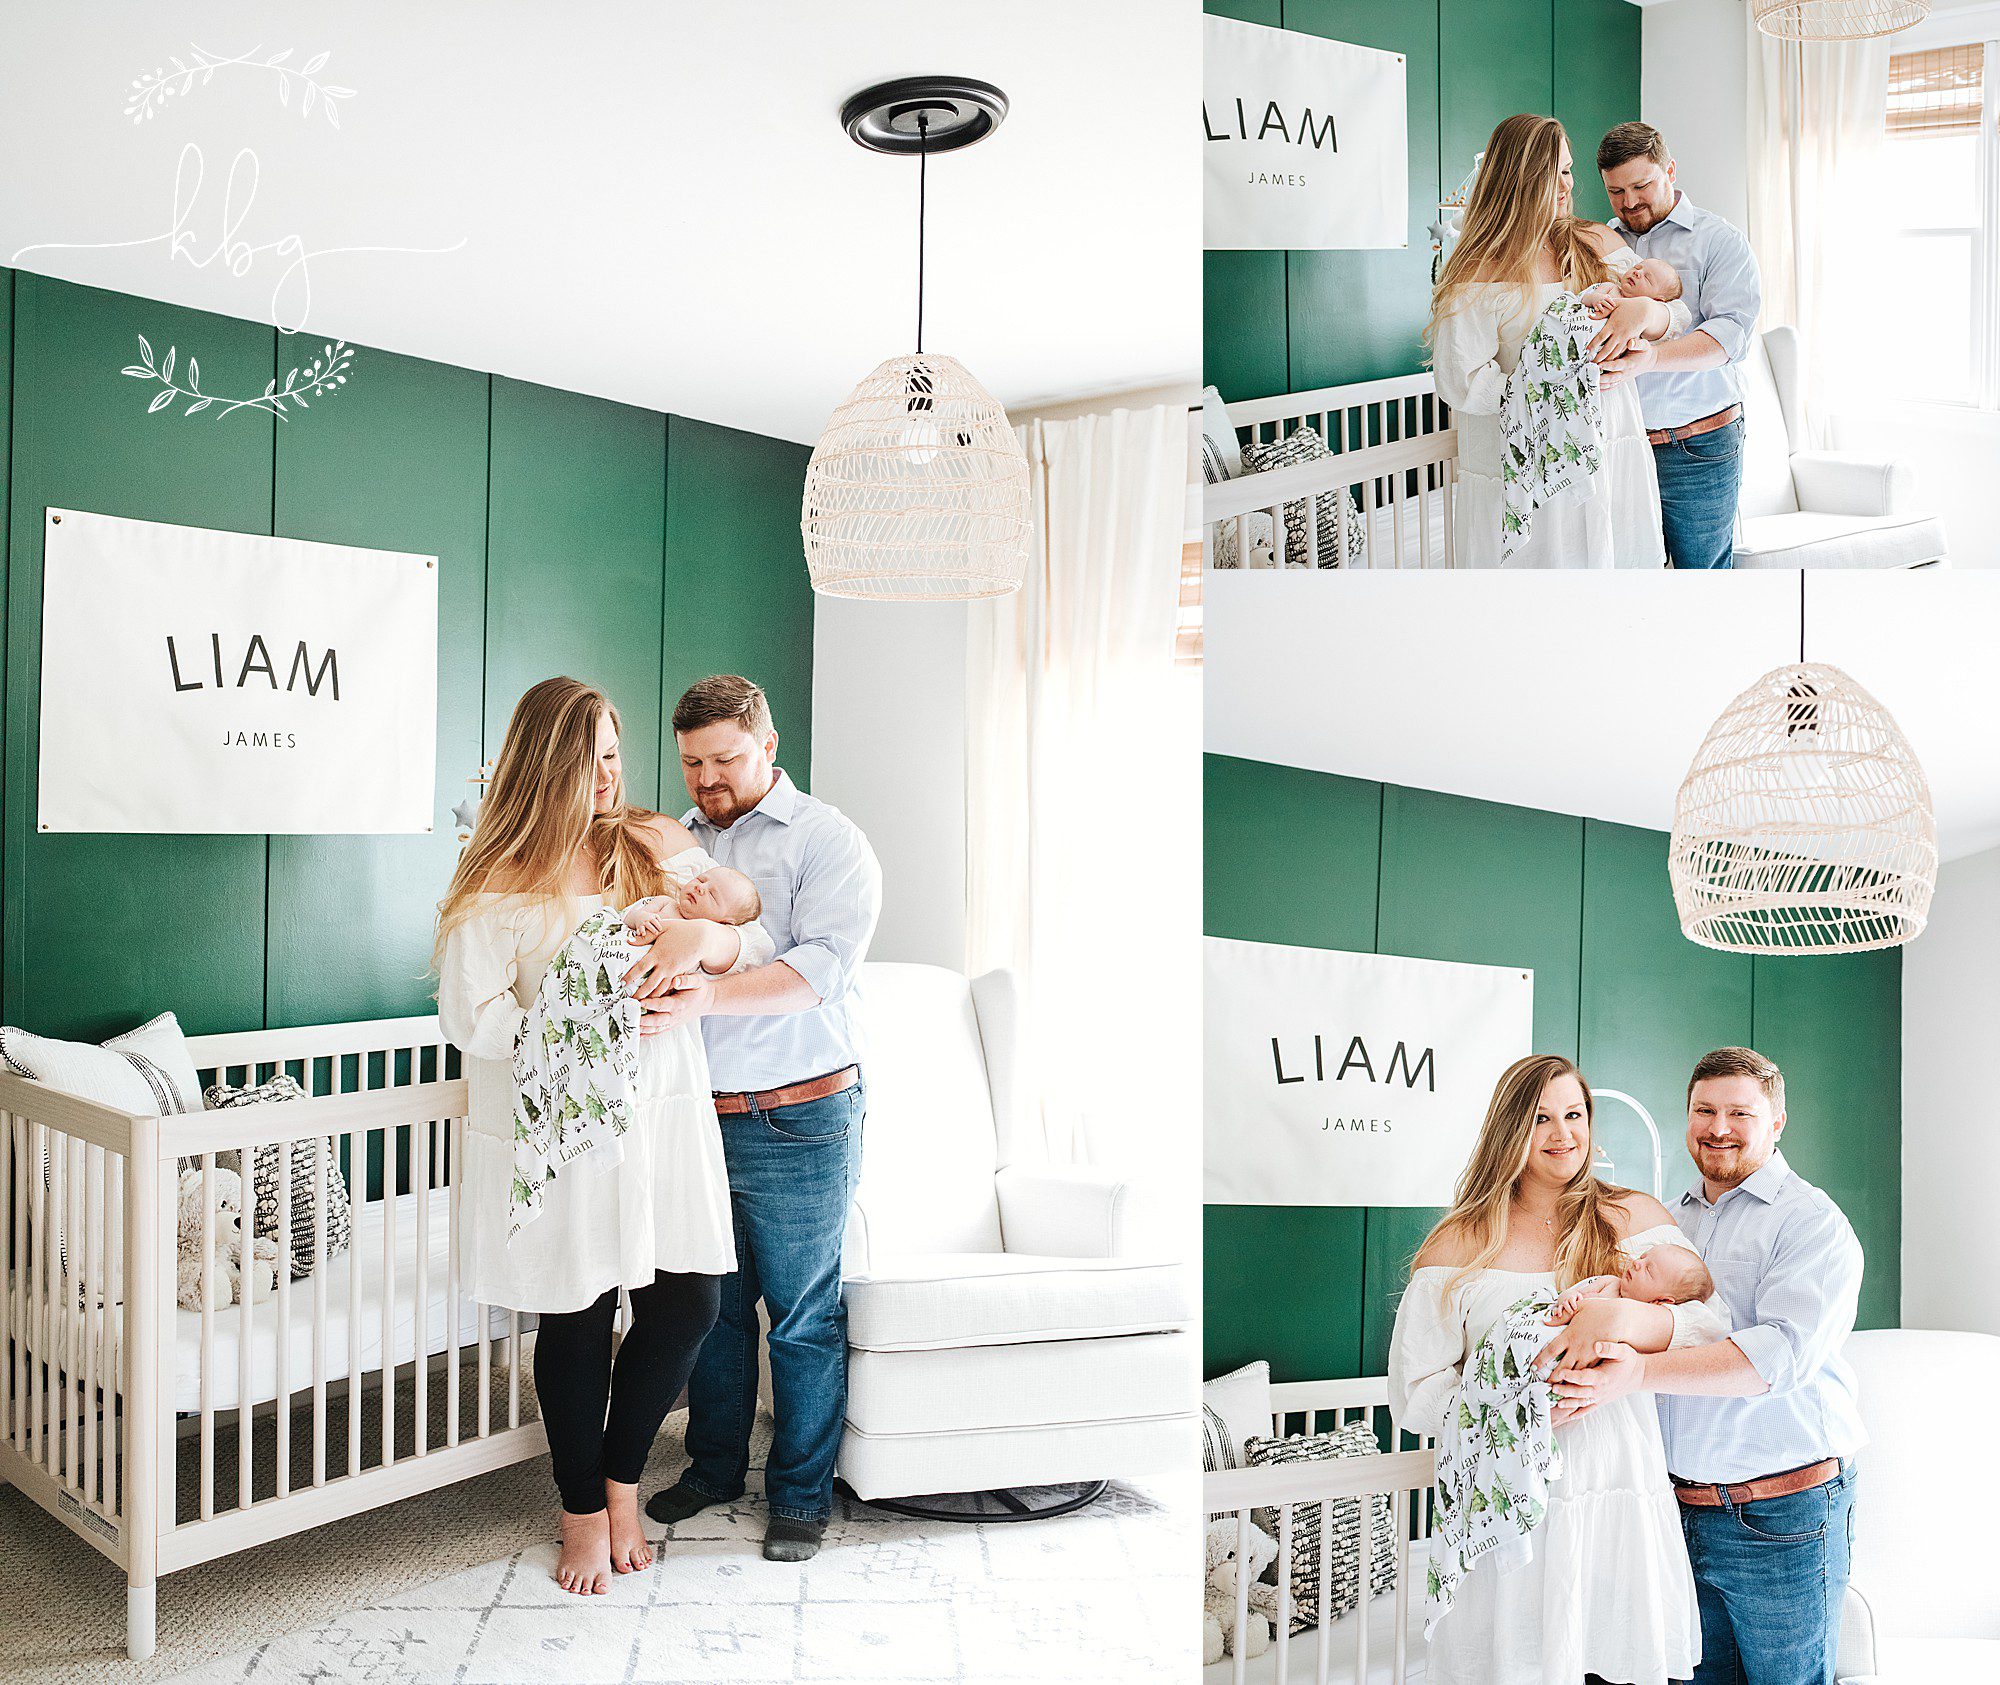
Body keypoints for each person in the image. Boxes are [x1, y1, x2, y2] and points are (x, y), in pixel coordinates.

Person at [434, 676, 746, 1596]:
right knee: (574, 1310)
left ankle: (620, 1481)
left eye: (615, 753)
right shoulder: (500, 880)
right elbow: (472, 1015)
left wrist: (699, 949)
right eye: (591, 758)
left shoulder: (650, 841)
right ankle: (581, 1510)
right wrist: (575, 1020)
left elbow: (740, 929)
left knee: (690, 1301)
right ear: (546, 767)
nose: (610, 775)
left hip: (662, 1114)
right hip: (567, 1117)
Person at [637, 674, 882, 1563]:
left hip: (802, 1115)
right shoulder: (677, 847)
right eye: (693, 762)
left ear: (769, 745)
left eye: (726, 758)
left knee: (804, 1315)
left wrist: (705, 998)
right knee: (712, 1309)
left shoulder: (828, 841)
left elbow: (821, 968)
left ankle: (801, 1494)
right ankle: (712, 1470)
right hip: (696, 1118)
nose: (707, 778)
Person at [1550, 1047, 1864, 1685]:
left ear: (1777, 1121)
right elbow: (1633, 1312)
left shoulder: (1812, 1224)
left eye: (1739, 1113)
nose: (1718, 1126)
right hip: (1675, 1508)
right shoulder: (1666, 1219)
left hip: (1782, 1512)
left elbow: (1777, 1357)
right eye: (1704, 1110)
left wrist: (1637, 1375)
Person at [1388, 1054, 1705, 1684]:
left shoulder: (1635, 1219)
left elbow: (1706, 1327)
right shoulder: (1460, 1242)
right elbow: (1416, 1390)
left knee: (1613, 1658)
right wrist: (1513, 1407)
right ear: (1509, 1130)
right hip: (1509, 1496)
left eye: (1575, 1114)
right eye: (1541, 1119)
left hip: (1614, 1481)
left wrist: (1616, 1329)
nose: (1564, 1134)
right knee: (1518, 1663)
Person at [1428, 113, 1692, 568]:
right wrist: (1545, 388)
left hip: (1611, 445)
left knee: (1616, 593)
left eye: (1567, 170)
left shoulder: (1594, 241)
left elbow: (1677, 314)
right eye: (1551, 176)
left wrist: (1645, 312)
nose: (1566, 186)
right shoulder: (1479, 268)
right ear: (1517, 182)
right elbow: (1460, 379)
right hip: (1529, 461)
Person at [1595, 122, 1763, 570]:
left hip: (1697, 445)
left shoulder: (1719, 240)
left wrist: (1651, 359)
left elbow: (1731, 334)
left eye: (1641, 185)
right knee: (1623, 582)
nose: (1629, 202)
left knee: (1701, 579)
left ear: (1670, 169)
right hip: (1619, 445)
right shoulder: (1600, 244)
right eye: (1615, 191)